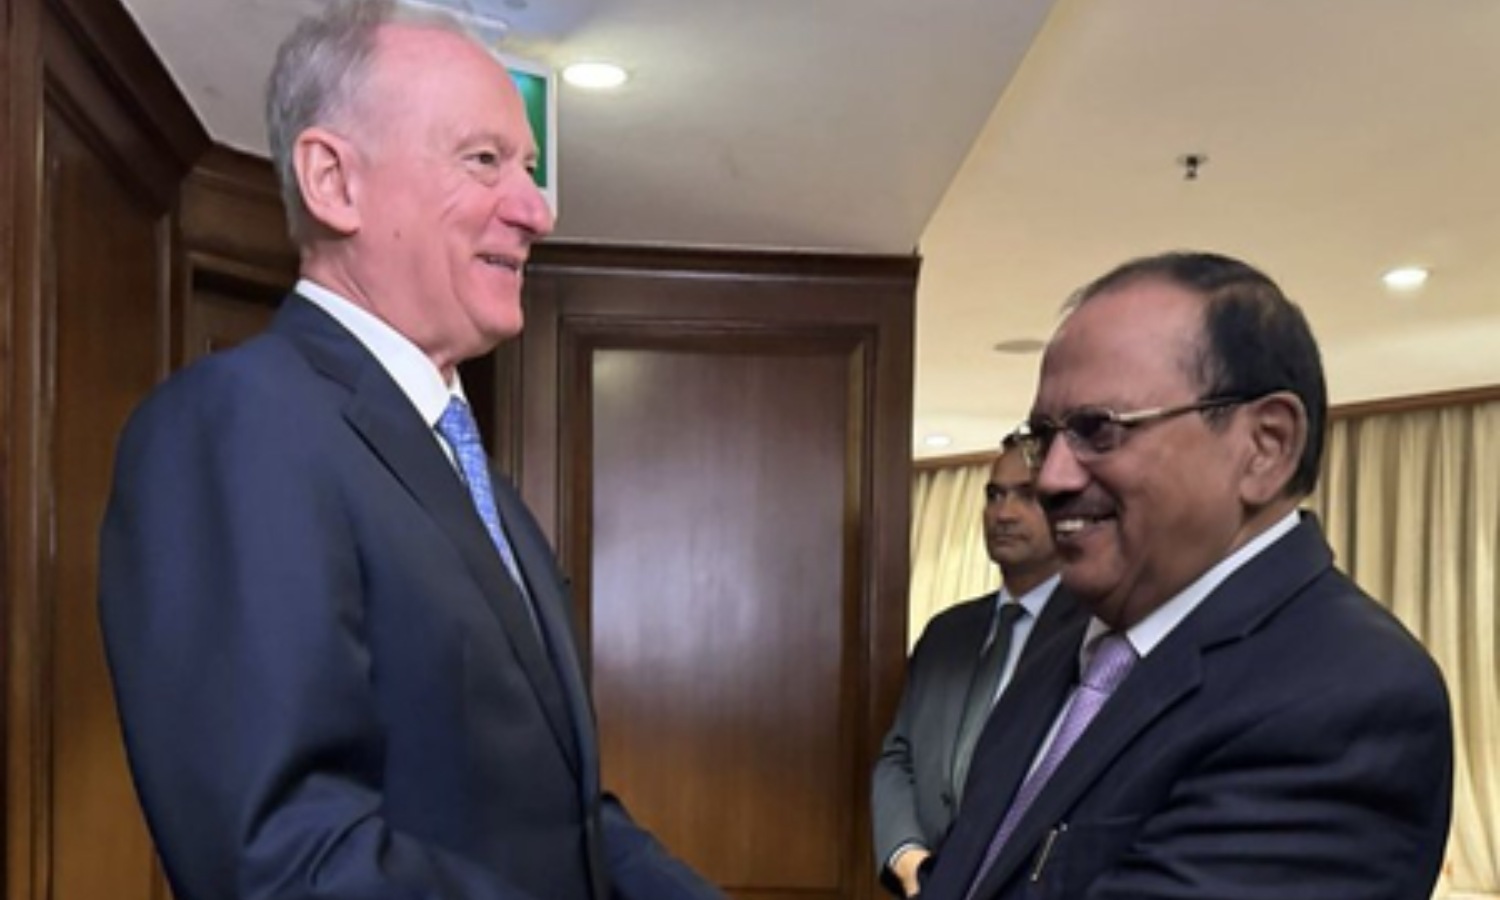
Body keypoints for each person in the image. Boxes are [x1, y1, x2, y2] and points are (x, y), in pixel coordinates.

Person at [96, 2, 722, 899]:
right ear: (333, 182)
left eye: (529, 169)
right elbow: (284, 860)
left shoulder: (476, 482)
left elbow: (567, 819)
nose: (537, 210)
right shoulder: (234, 427)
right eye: (483, 160)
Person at [921, 251, 1453, 900]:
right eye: (1044, 435)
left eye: (1098, 430)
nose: (1051, 478)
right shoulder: (1065, 640)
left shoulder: (1351, 696)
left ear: (1265, 446)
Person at [871, 434, 1081, 897]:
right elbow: (899, 756)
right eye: (994, 495)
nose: (1003, 513)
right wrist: (908, 859)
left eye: (1027, 495)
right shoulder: (947, 633)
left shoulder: (1094, 631)